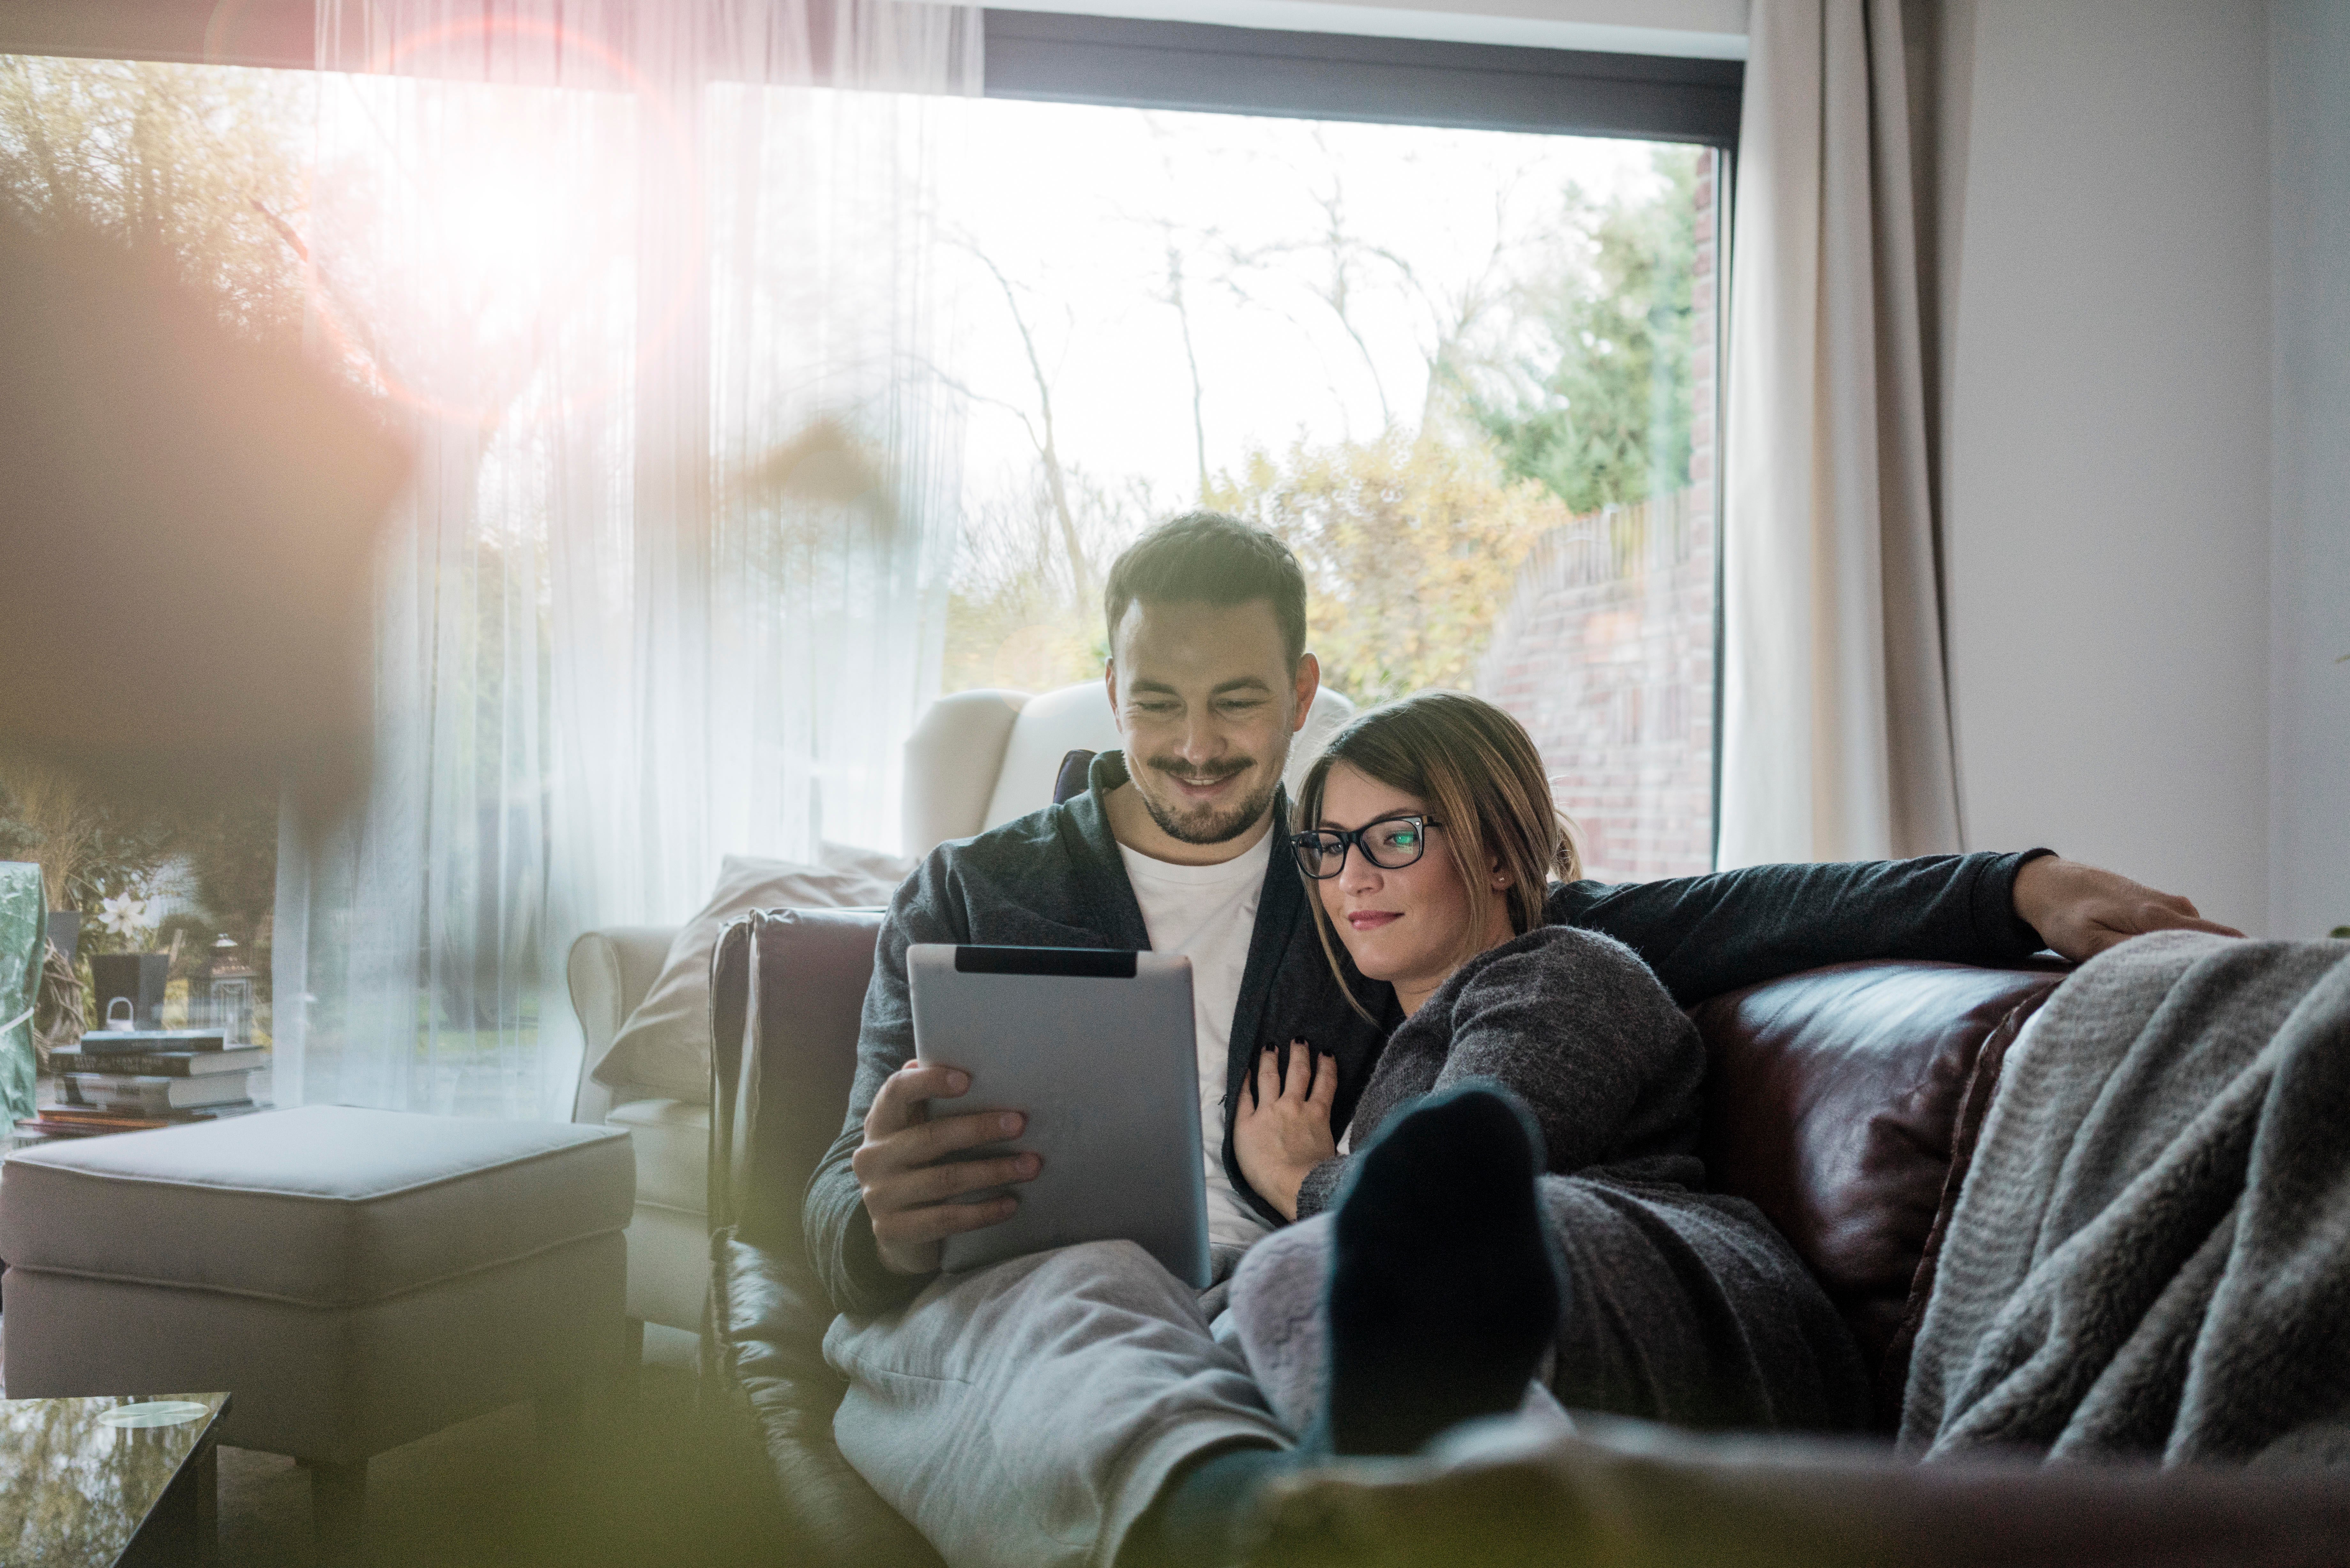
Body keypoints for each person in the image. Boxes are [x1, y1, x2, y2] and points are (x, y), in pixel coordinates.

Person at [806, 512, 2239, 1568]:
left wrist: (2007, 886)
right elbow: (828, 1194)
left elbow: (1717, 913)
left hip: (1327, 1291)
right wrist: (874, 1215)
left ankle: (1343, 1503)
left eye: (1236, 702)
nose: (1194, 743)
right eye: (1159, 702)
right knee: (1078, 1301)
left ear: (1299, 695)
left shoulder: (1353, 881)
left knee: (1293, 1294)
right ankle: (1245, 1528)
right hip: (1084, 1290)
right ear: (1112, 690)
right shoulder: (976, 889)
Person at [1126, 690, 1872, 1565]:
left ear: (1492, 855)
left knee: (1293, 1276)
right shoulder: (1386, 1043)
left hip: (1664, 1284)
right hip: (1499, 1329)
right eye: (1328, 847)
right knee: (1129, 1307)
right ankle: (1286, 1511)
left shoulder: (1563, 972)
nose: (1350, 878)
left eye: (1395, 838)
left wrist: (1300, 1178)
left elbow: (1469, 1199)